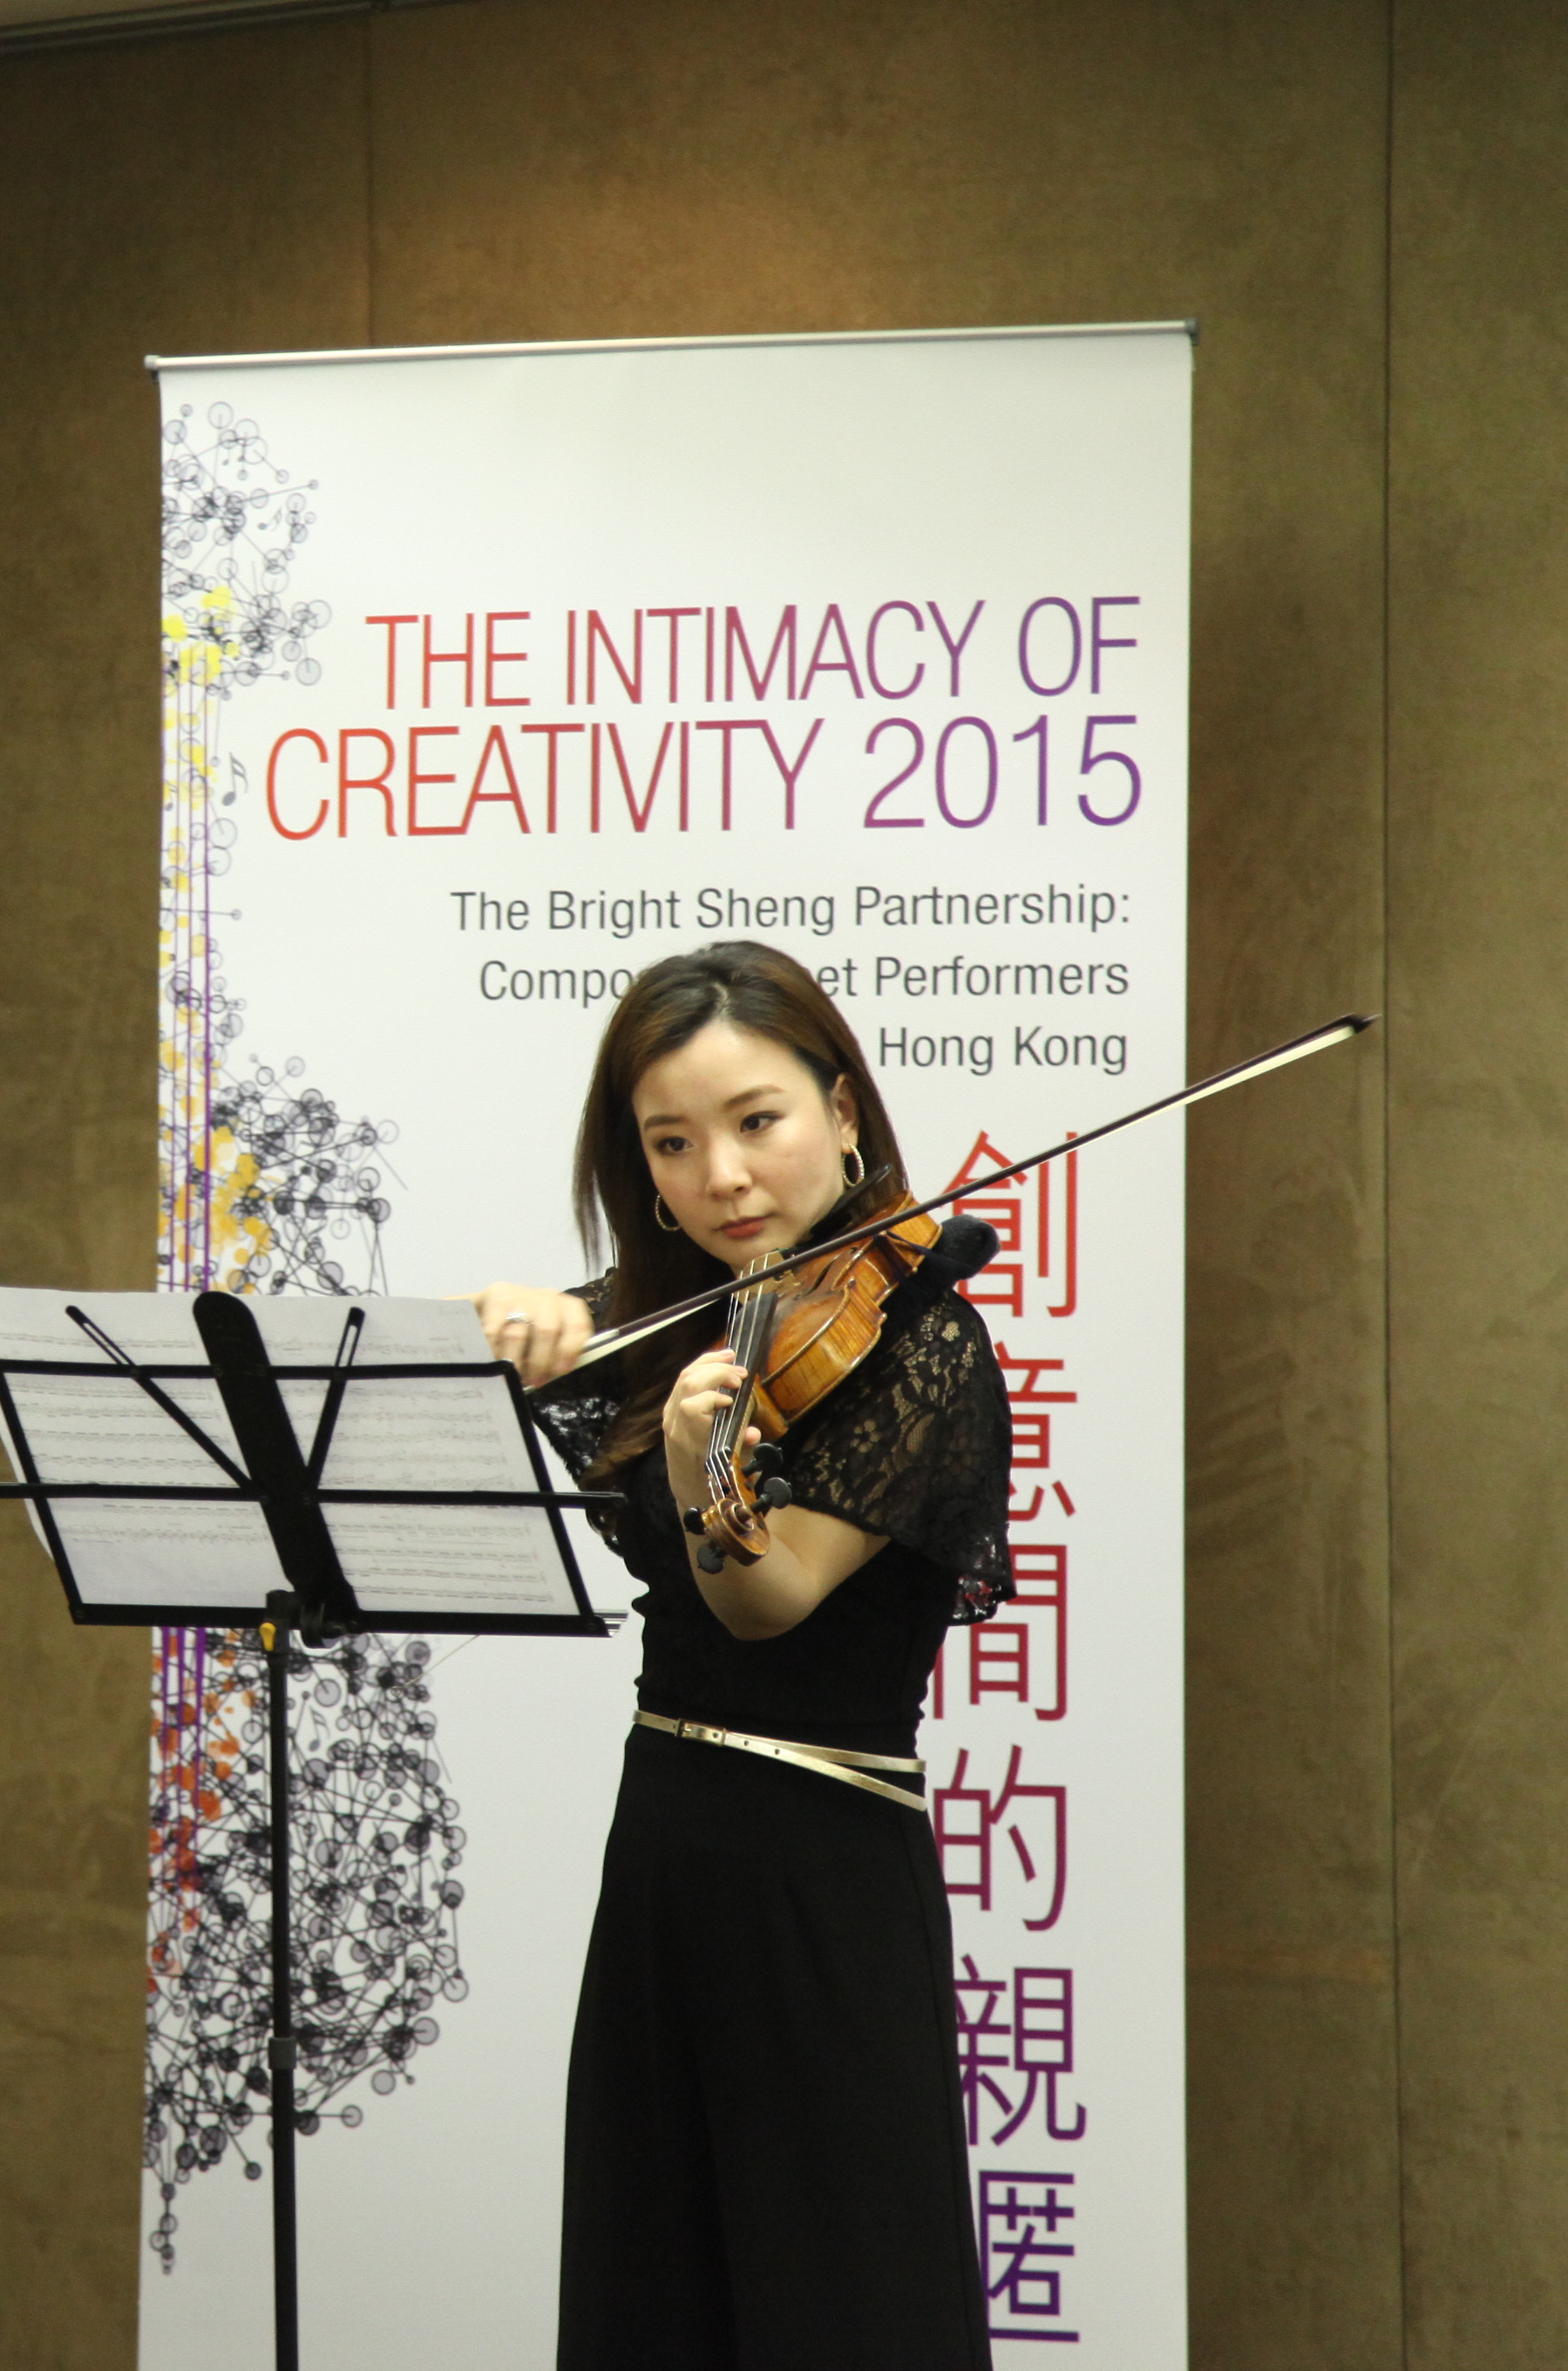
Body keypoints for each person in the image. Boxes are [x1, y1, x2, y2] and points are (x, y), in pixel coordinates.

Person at [471, 939, 1013, 2370]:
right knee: (659, 2284)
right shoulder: (683, 1326)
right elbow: (555, 1334)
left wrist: (717, 1471)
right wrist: (519, 1329)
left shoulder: (923, 1346)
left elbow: (763, 1603)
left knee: (834, 2291)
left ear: (842, 1110)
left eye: (756, 1120)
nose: (723, 1176)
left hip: (820, 1864)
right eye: (672, 1143)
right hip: (668, 1848)